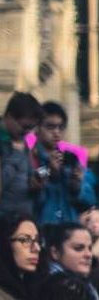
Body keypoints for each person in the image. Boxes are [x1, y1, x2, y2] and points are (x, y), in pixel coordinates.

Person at [0, 92, 44, 221]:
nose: (26, 132)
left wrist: (35, 183)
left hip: (23, 217)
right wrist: (16, 157)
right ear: (9, 117)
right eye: (24, 126)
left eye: (30, 128)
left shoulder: (20, 141)